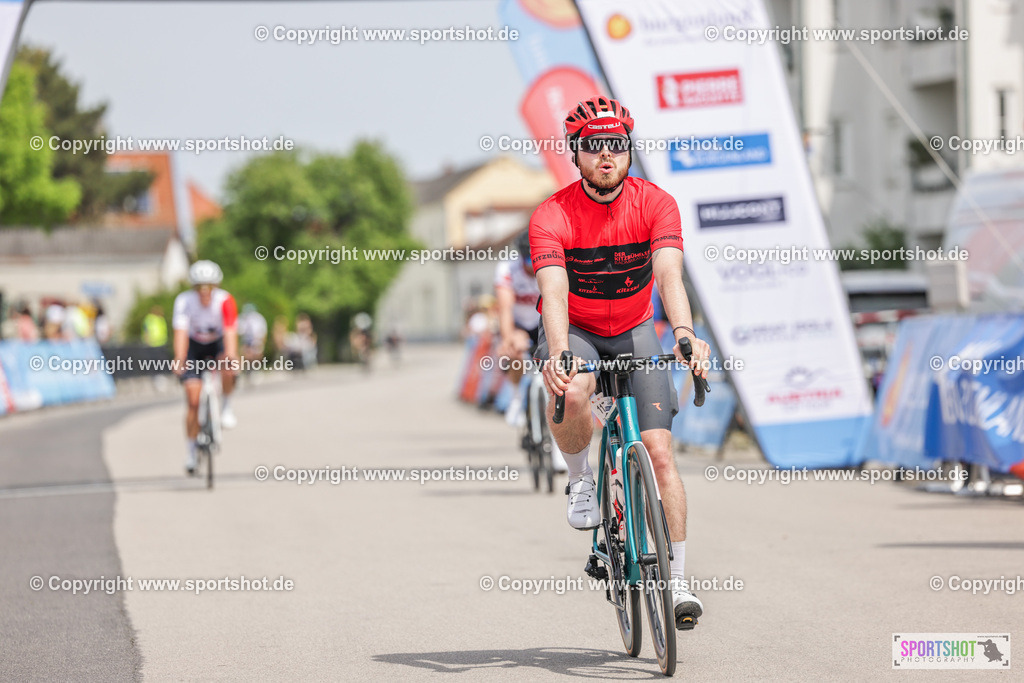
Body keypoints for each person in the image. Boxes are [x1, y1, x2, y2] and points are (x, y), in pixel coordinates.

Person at [530, 96, 711, 630]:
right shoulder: (553, 214)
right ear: (577, 155)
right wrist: (560, 353)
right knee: (577, 388)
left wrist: (684, 334)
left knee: (659, 453)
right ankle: (582, 477)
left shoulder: (656, 203)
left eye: (617, 145)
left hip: (635, 332)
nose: (606, 156)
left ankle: (678, 582)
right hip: (580, 331)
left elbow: (670, 276)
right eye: (594, 147)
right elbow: (554, 291)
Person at [172, 260, 239, 475]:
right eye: (200, 287)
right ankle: (191, 452)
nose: (204, 292)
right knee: (192, 400)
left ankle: (226, 405)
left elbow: (230, 331)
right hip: (194, 346)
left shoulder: (225, 300)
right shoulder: (184, 301)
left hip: (217, 342)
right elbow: (181, 332)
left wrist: (230, 356)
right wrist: (180, 358)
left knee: (229, 366)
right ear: (194, 288)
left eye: (209, 286)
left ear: (215, 287)